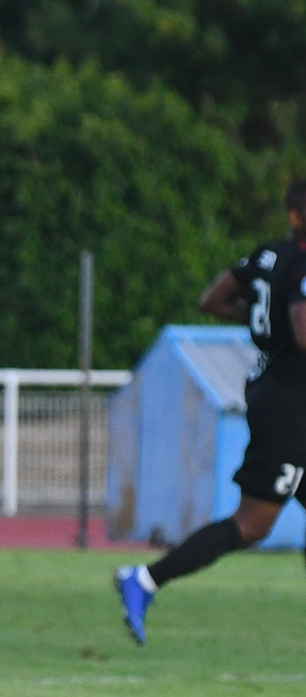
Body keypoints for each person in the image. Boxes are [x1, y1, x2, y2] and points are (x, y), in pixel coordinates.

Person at [115, 180, 306, 643]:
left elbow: (213, 299)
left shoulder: (265, 257)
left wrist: (267, 319)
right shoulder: (302, 262)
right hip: (290, 410)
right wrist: (285, 320)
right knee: (253, 524)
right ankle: (143, 580)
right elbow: (304, 334)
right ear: (297, 217)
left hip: (278, 394)